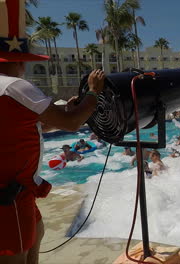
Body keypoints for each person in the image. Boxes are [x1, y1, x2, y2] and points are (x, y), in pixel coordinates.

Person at [0, 8, 105, 262]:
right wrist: (93, 92)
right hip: (9, 197)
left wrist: (64, 110)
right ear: (18, 60)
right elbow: (71, 124)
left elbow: (28, 126)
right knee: (18, 254)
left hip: (15, 193)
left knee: (37, 231)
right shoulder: (15, 86)